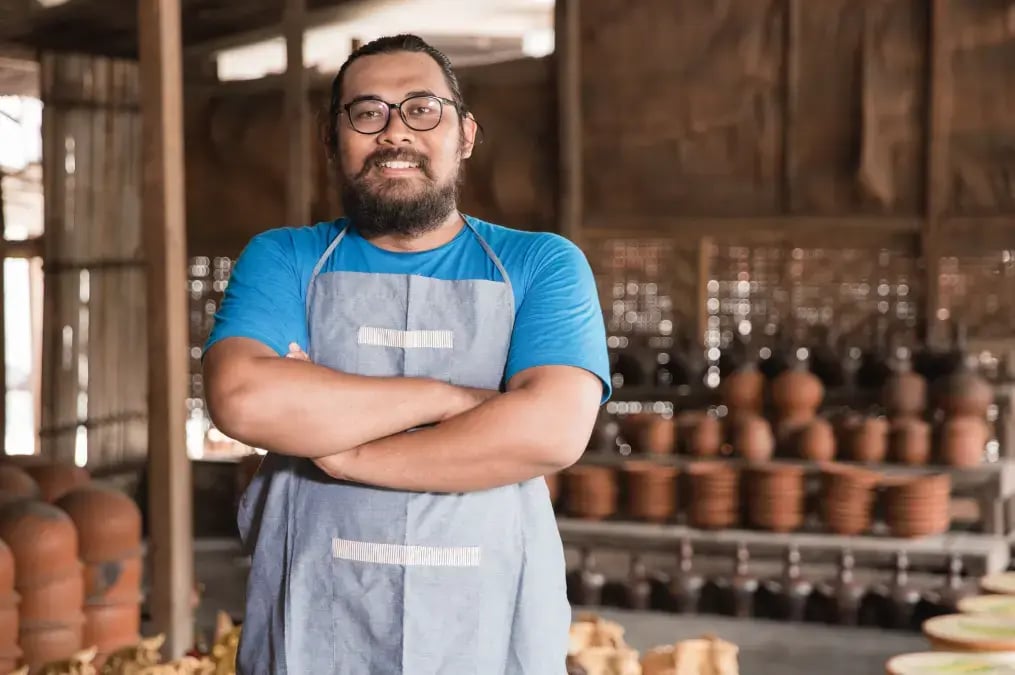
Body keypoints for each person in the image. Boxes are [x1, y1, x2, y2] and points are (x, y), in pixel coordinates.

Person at [202, 34, 610, 674]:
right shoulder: (286, 258)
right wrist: (453, 400)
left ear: (465, 134)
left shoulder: (540, 263)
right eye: (367, 113)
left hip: (485, 625)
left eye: (423, 109)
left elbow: (554, 430)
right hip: (315, 622)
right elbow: (244, 399)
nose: (395, 133)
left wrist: (345, 453)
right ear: (333, 139)